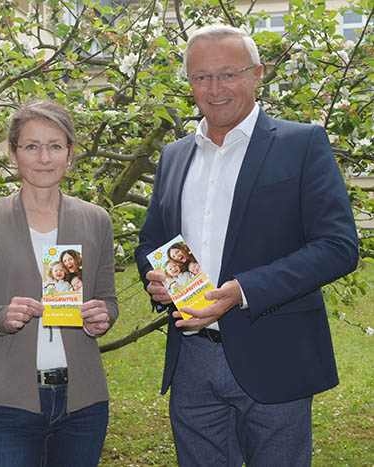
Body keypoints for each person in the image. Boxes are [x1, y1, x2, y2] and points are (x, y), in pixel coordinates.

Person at [135, 25, 359, 466]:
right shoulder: (175, 155)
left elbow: (337, 246)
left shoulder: (302, 143)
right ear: (189, 83)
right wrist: (156, 278)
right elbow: (153, 241)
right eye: (201, 77)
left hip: (275, 353)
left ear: (257, 75)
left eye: (228, 74)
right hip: (193, 357)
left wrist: (242, 291)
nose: (214, 88)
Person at [0, 100, 118, 466]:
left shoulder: (96, 220)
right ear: (13, 153)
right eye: (31, 146)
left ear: (70, 153)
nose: (44, 158)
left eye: (55, 146)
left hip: (84, 403)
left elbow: (108, 299)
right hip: (11, 401)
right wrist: (0, 316)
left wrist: (102, 317)